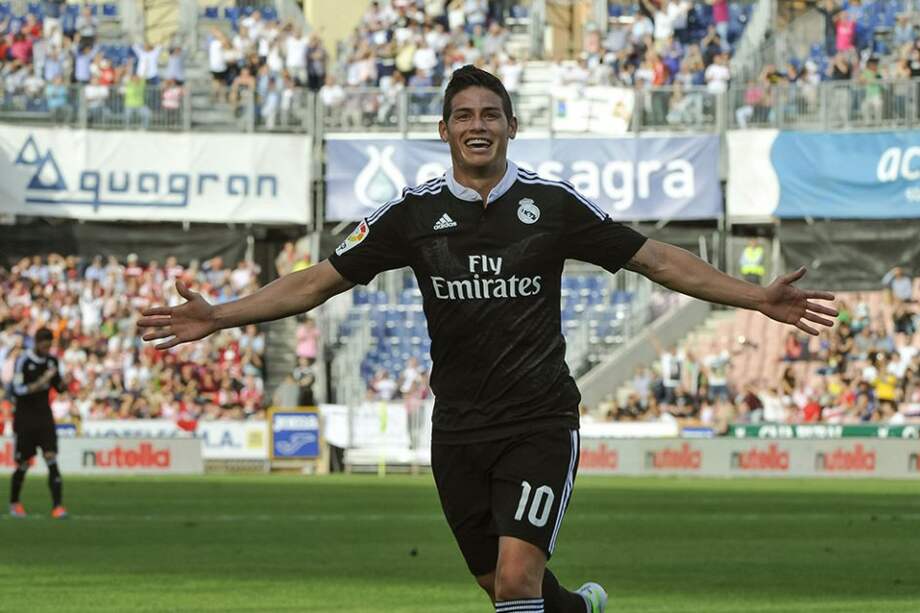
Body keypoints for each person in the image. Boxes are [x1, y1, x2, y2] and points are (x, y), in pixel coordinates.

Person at [138, 65, 838, 613]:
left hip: (538, 420)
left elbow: (655, 259)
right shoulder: (411, 216)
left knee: (516, 578)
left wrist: (757, 296)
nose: (479, 126)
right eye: (465, 116)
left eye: (491, 115)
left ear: (511, 126)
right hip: (458, 430)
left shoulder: (551, 206)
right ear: (444, 130)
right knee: (500, 584)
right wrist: (221, 315)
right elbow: (318, 281)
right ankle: (579, 609)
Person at [9, 328, 69, 519]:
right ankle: (15, 503)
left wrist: (64, 384)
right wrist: (41, 381)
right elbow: (17, 389)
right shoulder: (23, 360)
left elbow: (58, 387)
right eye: (45, 345)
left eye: (49, 346)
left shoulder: (52, 361)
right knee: (24, 462)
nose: (47, 349)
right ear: (36, 342)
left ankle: (57, 507)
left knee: (51, 456)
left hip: (44, 417)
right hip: (25, 418)